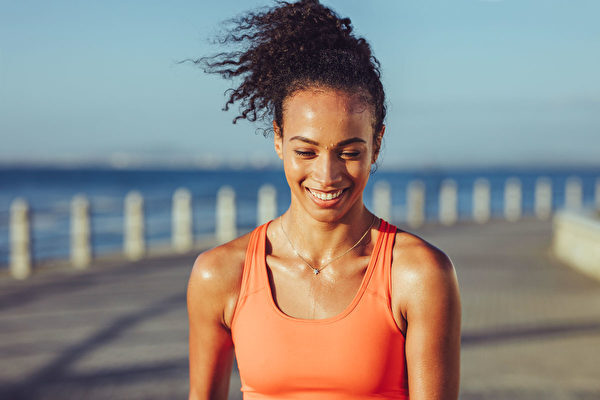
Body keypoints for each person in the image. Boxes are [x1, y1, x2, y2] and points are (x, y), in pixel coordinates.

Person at [187, 1, 461, 399]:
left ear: (377, 143)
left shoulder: (418, 275)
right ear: (279, 138)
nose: (327, 175)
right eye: (306, 152)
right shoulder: (220, 274)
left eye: (349, 152)